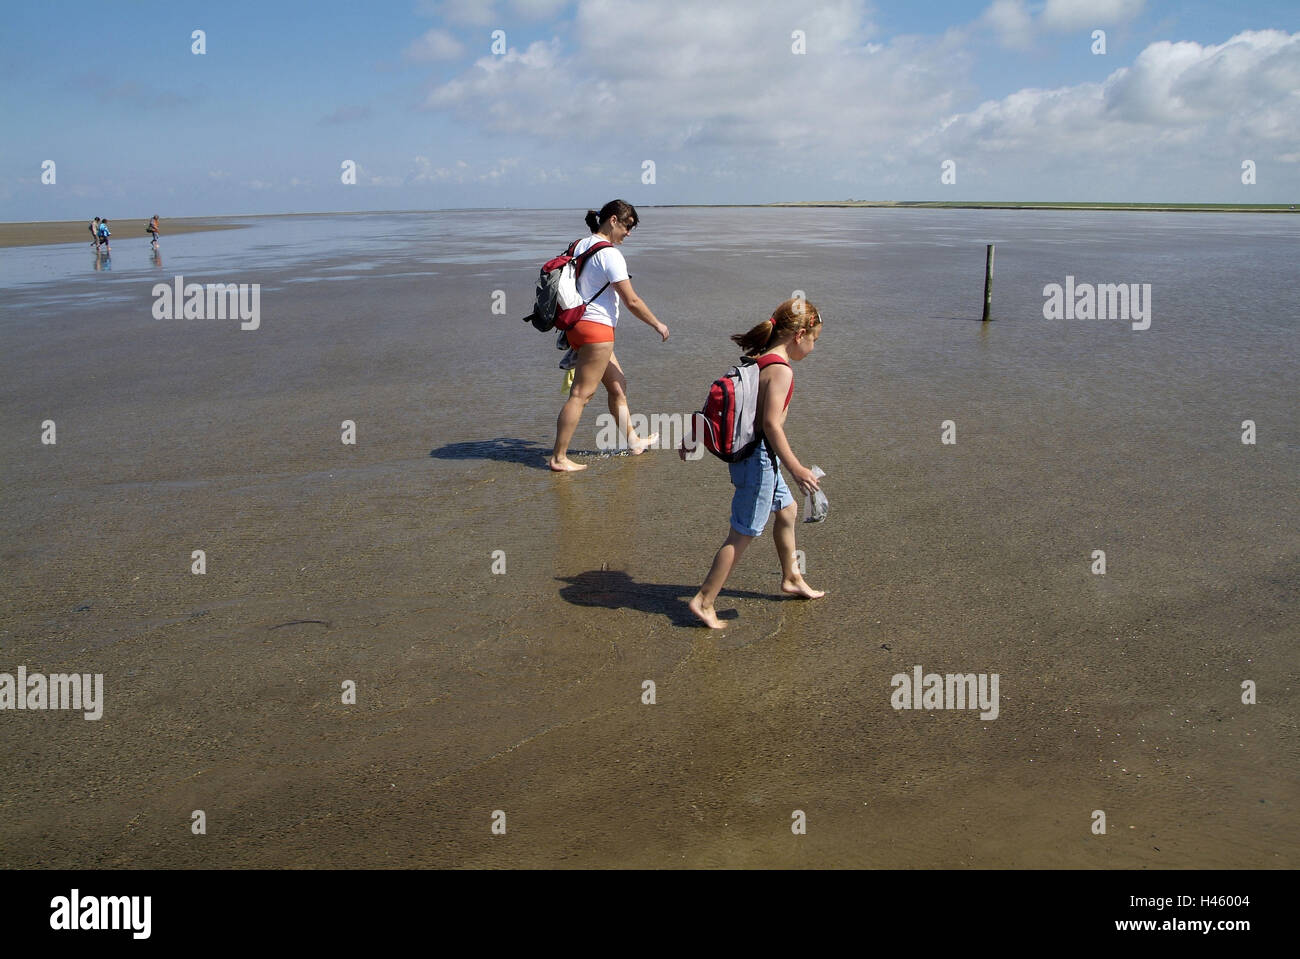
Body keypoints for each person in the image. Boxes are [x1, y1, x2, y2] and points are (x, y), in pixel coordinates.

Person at [685, 297, 826, 628]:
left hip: (754, 455)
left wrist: (692, 436)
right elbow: (772, 425)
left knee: (787, 511)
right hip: (758, 459)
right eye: (815, 340)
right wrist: (797, 468)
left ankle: (791, 577)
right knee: (742, 533)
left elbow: (725, 398)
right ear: (800, 334)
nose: (814, 348)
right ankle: (704, 600)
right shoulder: (781, 372)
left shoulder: (755, 361)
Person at [549, 200, 669, 472]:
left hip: (578, 327)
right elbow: (632, 301)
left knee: (617, 386)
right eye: (627, 227)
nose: (628, 233)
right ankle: (559, 457)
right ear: (613, 220)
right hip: (596, 330)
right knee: (581, 394)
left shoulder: (580, 244)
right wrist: (657, 324)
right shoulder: (610, 254)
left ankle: (634, 441)